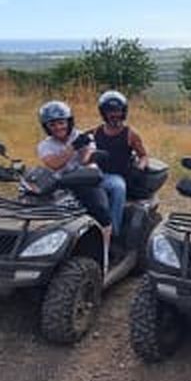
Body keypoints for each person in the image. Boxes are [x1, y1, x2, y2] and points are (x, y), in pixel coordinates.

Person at [36, 100, 112, 274]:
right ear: (46, 127)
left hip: (84, 181)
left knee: (101, 211)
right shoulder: (44, 145)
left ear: (69, 122)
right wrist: (72, 147)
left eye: (61, 122)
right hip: (57, 186)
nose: (58, 127)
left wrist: (85, 148)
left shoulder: (83, 136)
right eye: (52, 124)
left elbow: (87, 159)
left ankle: (105, 257)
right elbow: (54, 164)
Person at [91, 90, 149, 237]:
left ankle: (113, 232)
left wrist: (140, 167)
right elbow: (80, 149)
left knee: (118, 188)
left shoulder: (130, 134)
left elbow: (143, 156)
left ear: (123, 112)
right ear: (103, 113)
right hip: (97, 173)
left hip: (118, 176)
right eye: (110, 111)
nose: (114, 115)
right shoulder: (96, 132)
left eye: (118, 111)